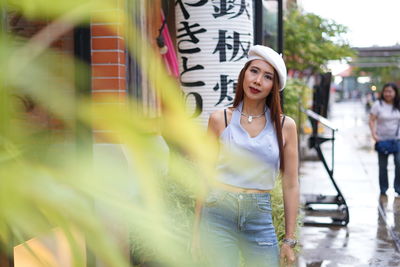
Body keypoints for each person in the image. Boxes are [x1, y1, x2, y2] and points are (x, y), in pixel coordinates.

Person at [191, 45, 299, 266]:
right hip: (218, 213)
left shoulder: (285, 126)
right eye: (254, 71)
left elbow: (291, 184)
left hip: (259, 216)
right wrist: (195, 233)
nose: (258, 81)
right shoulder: (219, 119)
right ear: (243, 75)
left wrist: (289, 240)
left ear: (273, 87)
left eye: (267, 77)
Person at [369, 82, 400, 196]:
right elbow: (371, 120)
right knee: (383, 166)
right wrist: (374, 134)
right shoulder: (378, 105)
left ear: (395, 93)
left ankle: (398, 188)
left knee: (399, 163)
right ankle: (383, 189)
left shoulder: (398, 105)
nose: (388, 94)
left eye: (390, 91)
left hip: (397, 139)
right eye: (386, 91)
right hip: (382, 140)